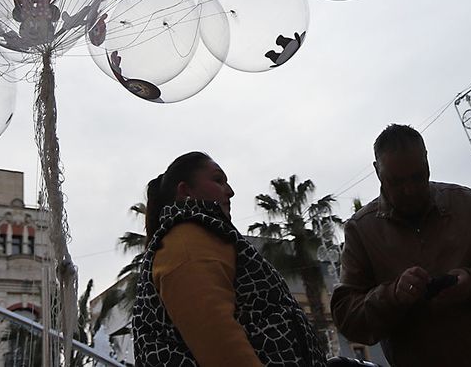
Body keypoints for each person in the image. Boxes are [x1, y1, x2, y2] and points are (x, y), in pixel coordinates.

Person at [330, 125, 471, 367]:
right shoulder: (361, 230)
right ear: (377, 171)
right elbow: (348, 318)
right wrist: (394, 295)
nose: (409, 190)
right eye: (396, 182)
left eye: (418, 176)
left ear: (427, 161)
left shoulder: (465, 203)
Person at [131, 151, 325, 367]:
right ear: (185, 191)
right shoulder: (186, 243)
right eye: (218, 180)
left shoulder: (206, 238)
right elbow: (216, 336)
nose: (230, 192)